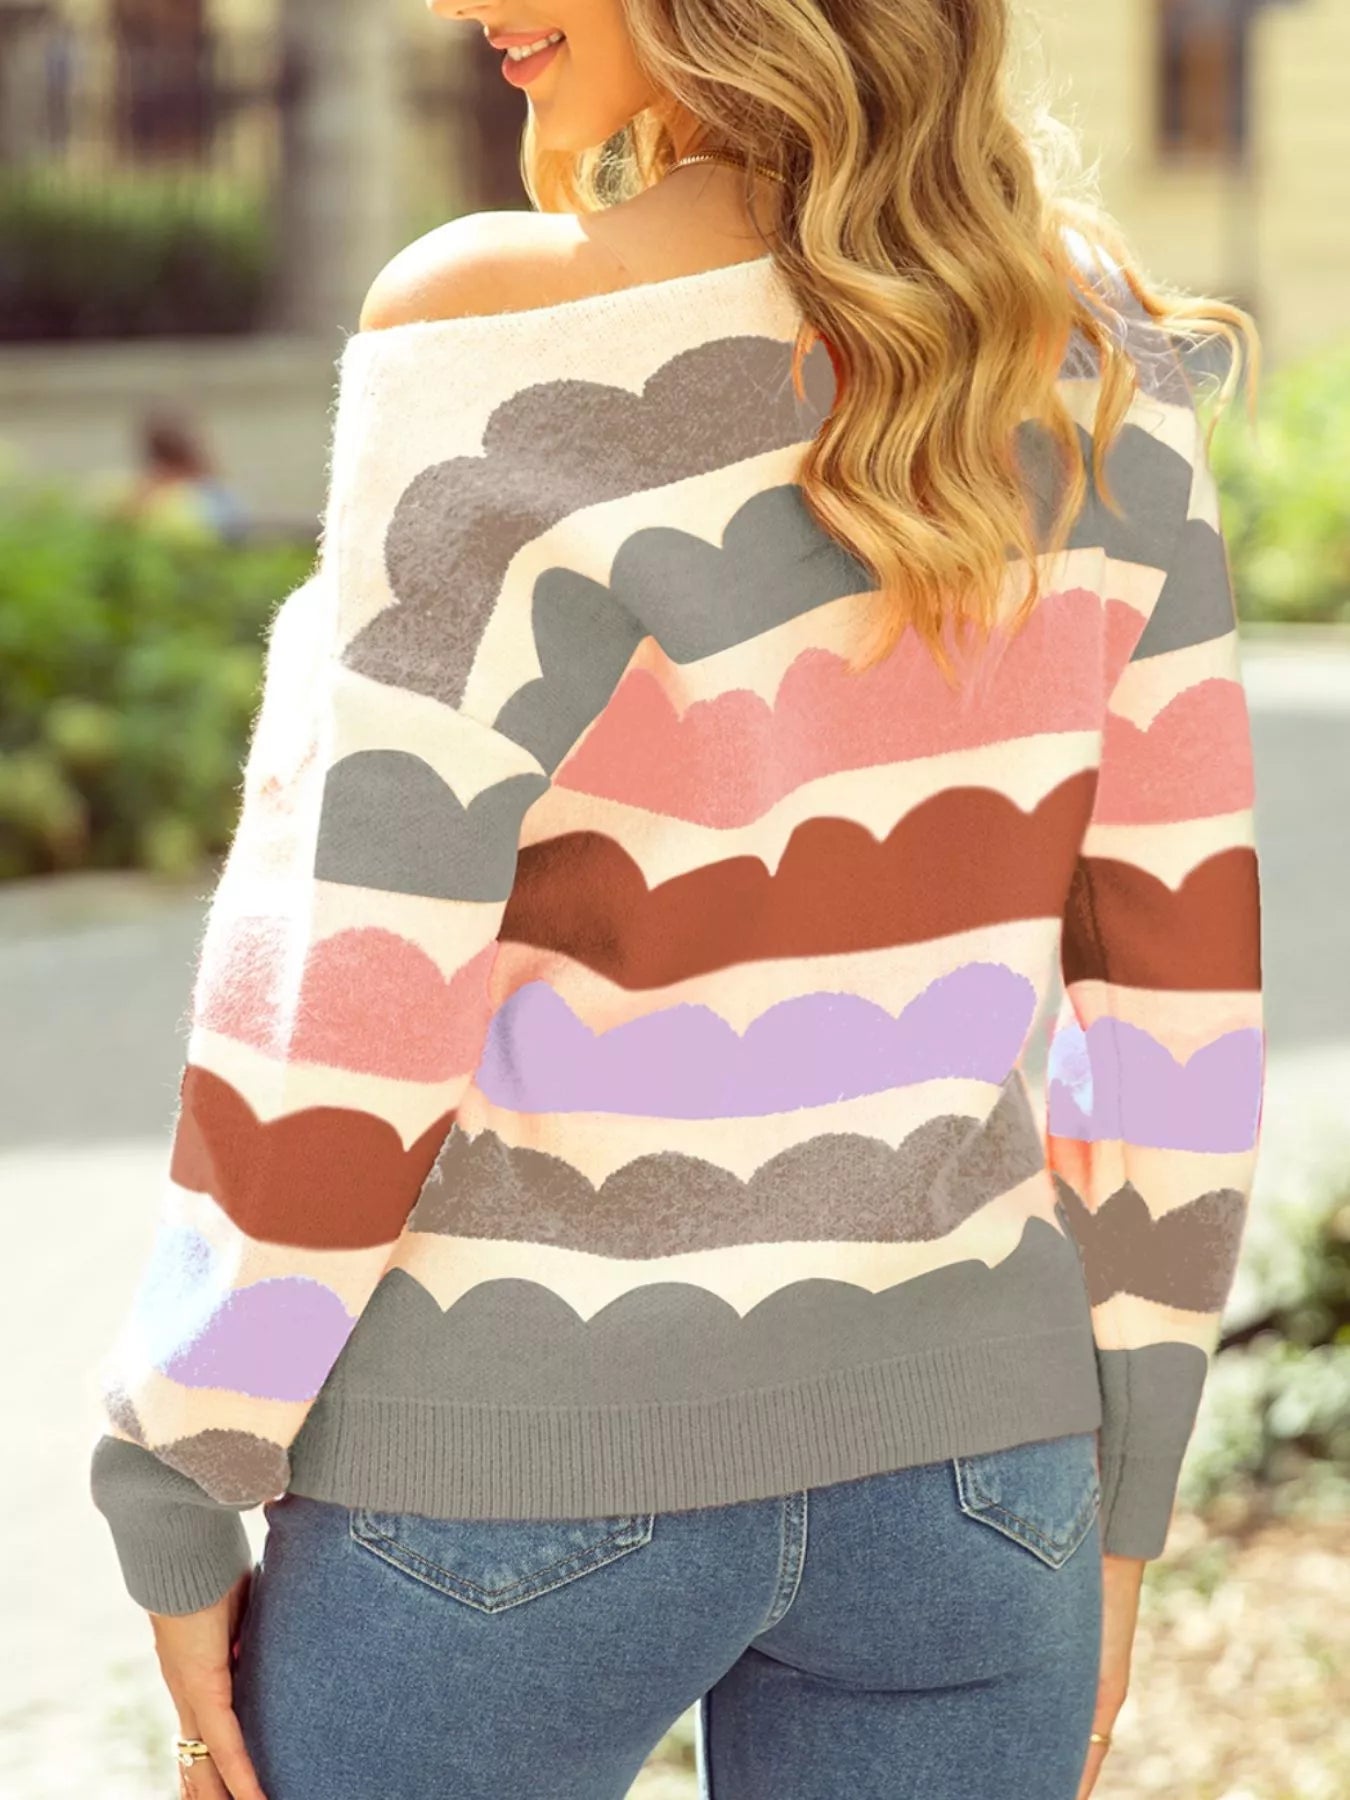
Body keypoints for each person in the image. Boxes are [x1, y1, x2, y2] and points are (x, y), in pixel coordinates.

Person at [87, 1, 1266, 1796]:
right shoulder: (1092, 350)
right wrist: (1119, 1502)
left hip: (498, 1481)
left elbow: (354, 985)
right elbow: (1180, 982)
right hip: (980, 1495)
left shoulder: (492, 329)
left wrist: (181, 1462)